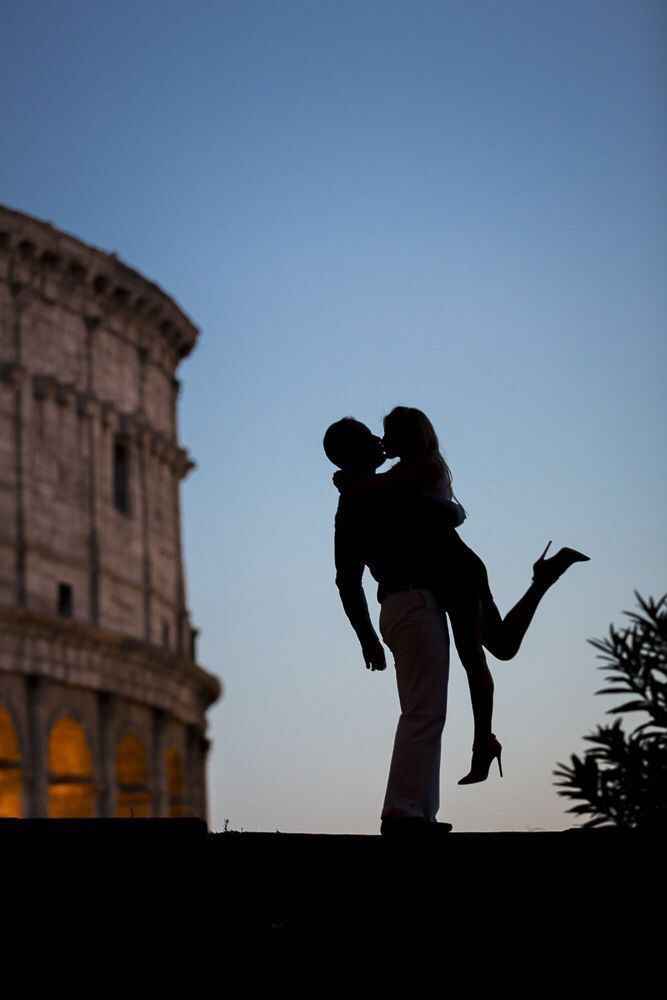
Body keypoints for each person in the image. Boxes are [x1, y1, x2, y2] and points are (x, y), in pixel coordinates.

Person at [324, 414, 589, 834]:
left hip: (421, 596)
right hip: (415, 599)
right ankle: (408, 811)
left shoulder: (372, 490)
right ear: (359, 450)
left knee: (439, 699)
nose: (380, 440)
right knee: (428, 708)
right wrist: (365, 636)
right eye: (372, 437)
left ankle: (418, 810)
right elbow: (354, 570)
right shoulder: (370, 493)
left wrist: (367, 636)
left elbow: (351, 573)